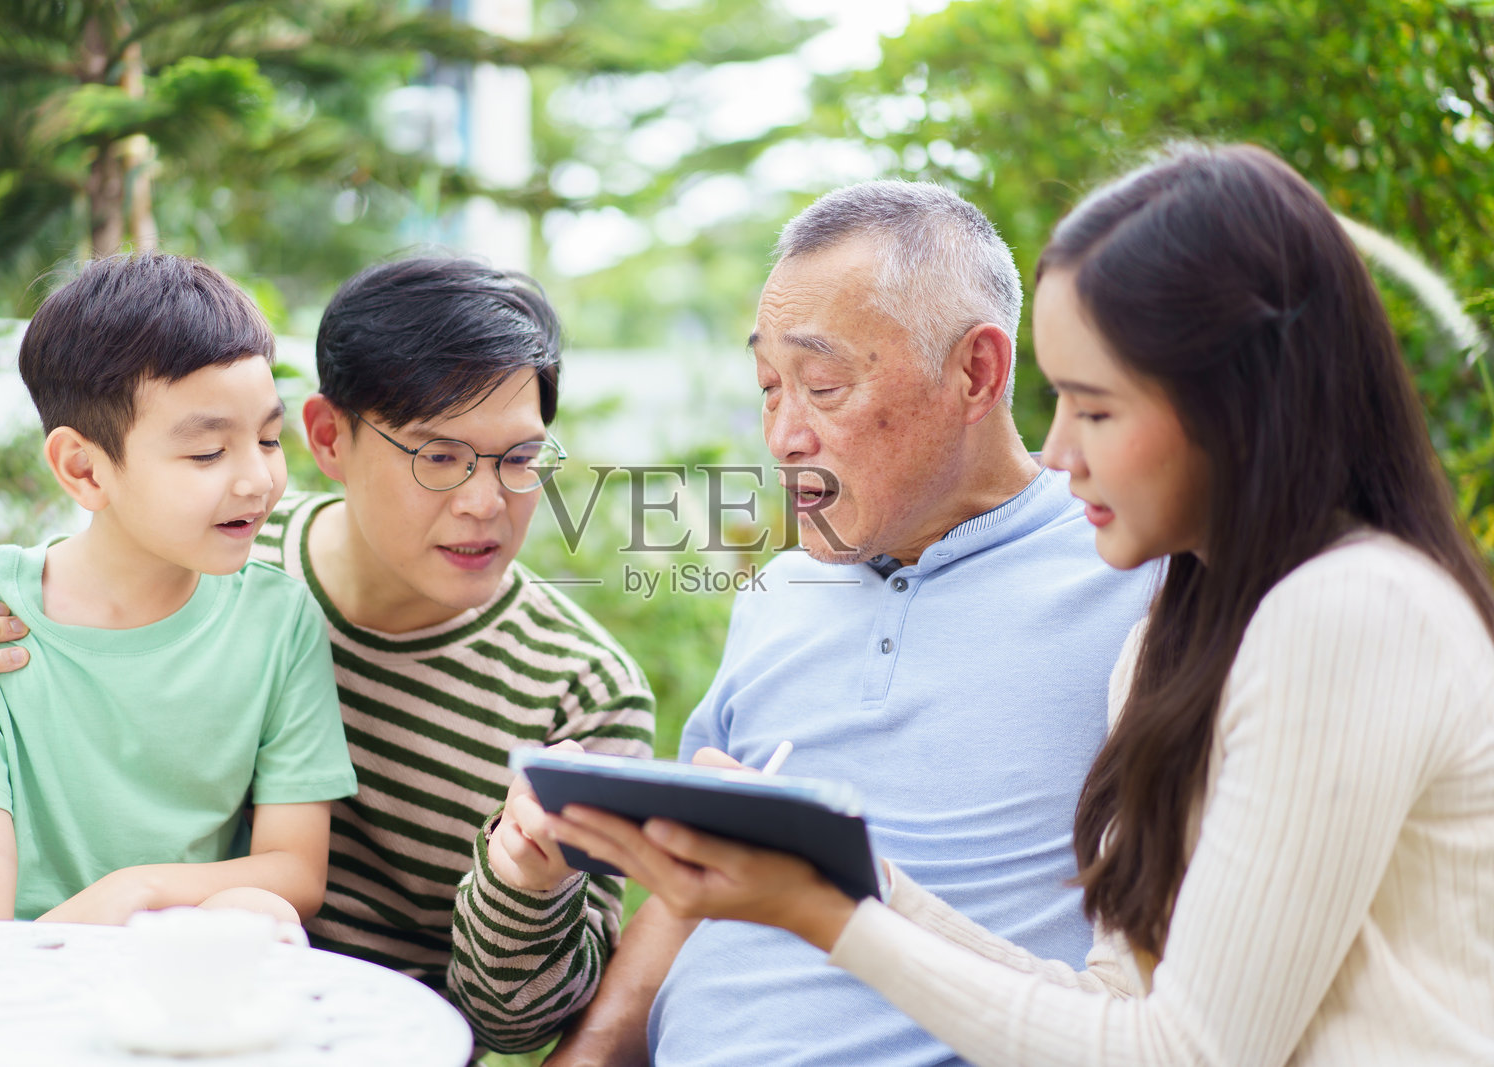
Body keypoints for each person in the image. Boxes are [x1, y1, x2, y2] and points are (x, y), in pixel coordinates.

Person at [549, 144, 1494, 1064]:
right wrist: (827, 871)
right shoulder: (1180, 641)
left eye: (1094, 404)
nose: (1058, 450)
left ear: (1232, 403)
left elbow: (1186, 1051)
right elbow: (1111, 1004)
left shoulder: (1341, 614)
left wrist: (822, 906)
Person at [0, 256, 654, 1054]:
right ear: (330, 436)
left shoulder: (580, 689)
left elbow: (516, 1022)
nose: (484, 501)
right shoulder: (202, 553)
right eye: (439, 456)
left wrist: (527, 882)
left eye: (521, 459)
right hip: (67, 995)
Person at [546, 181, 1157, 1066]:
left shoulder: (1133, 573)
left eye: (823, 385)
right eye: (767, 387)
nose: (783, 434)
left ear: (976, 373)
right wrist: (591, 1051)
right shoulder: (780, 595)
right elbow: (692, 891)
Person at [0, 252, 358, 925]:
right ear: (83, 468)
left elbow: (293, 870)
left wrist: (132, 889)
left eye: (267, 437)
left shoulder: (278, 619)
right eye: (207, 452)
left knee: (261, 911)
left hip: (155, 965)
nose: (257, 480)